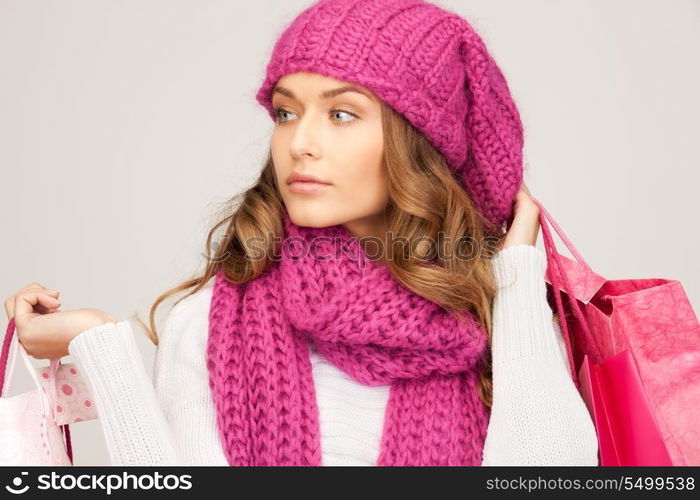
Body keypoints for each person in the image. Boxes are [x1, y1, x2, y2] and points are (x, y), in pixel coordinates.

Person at [3, 0, 599, 466]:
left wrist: (518, 277)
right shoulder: (211, 318)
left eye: (342, 114)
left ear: (423, 144)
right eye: (287, 112)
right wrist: (98, 343)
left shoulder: (497, 318)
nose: (299, 142)